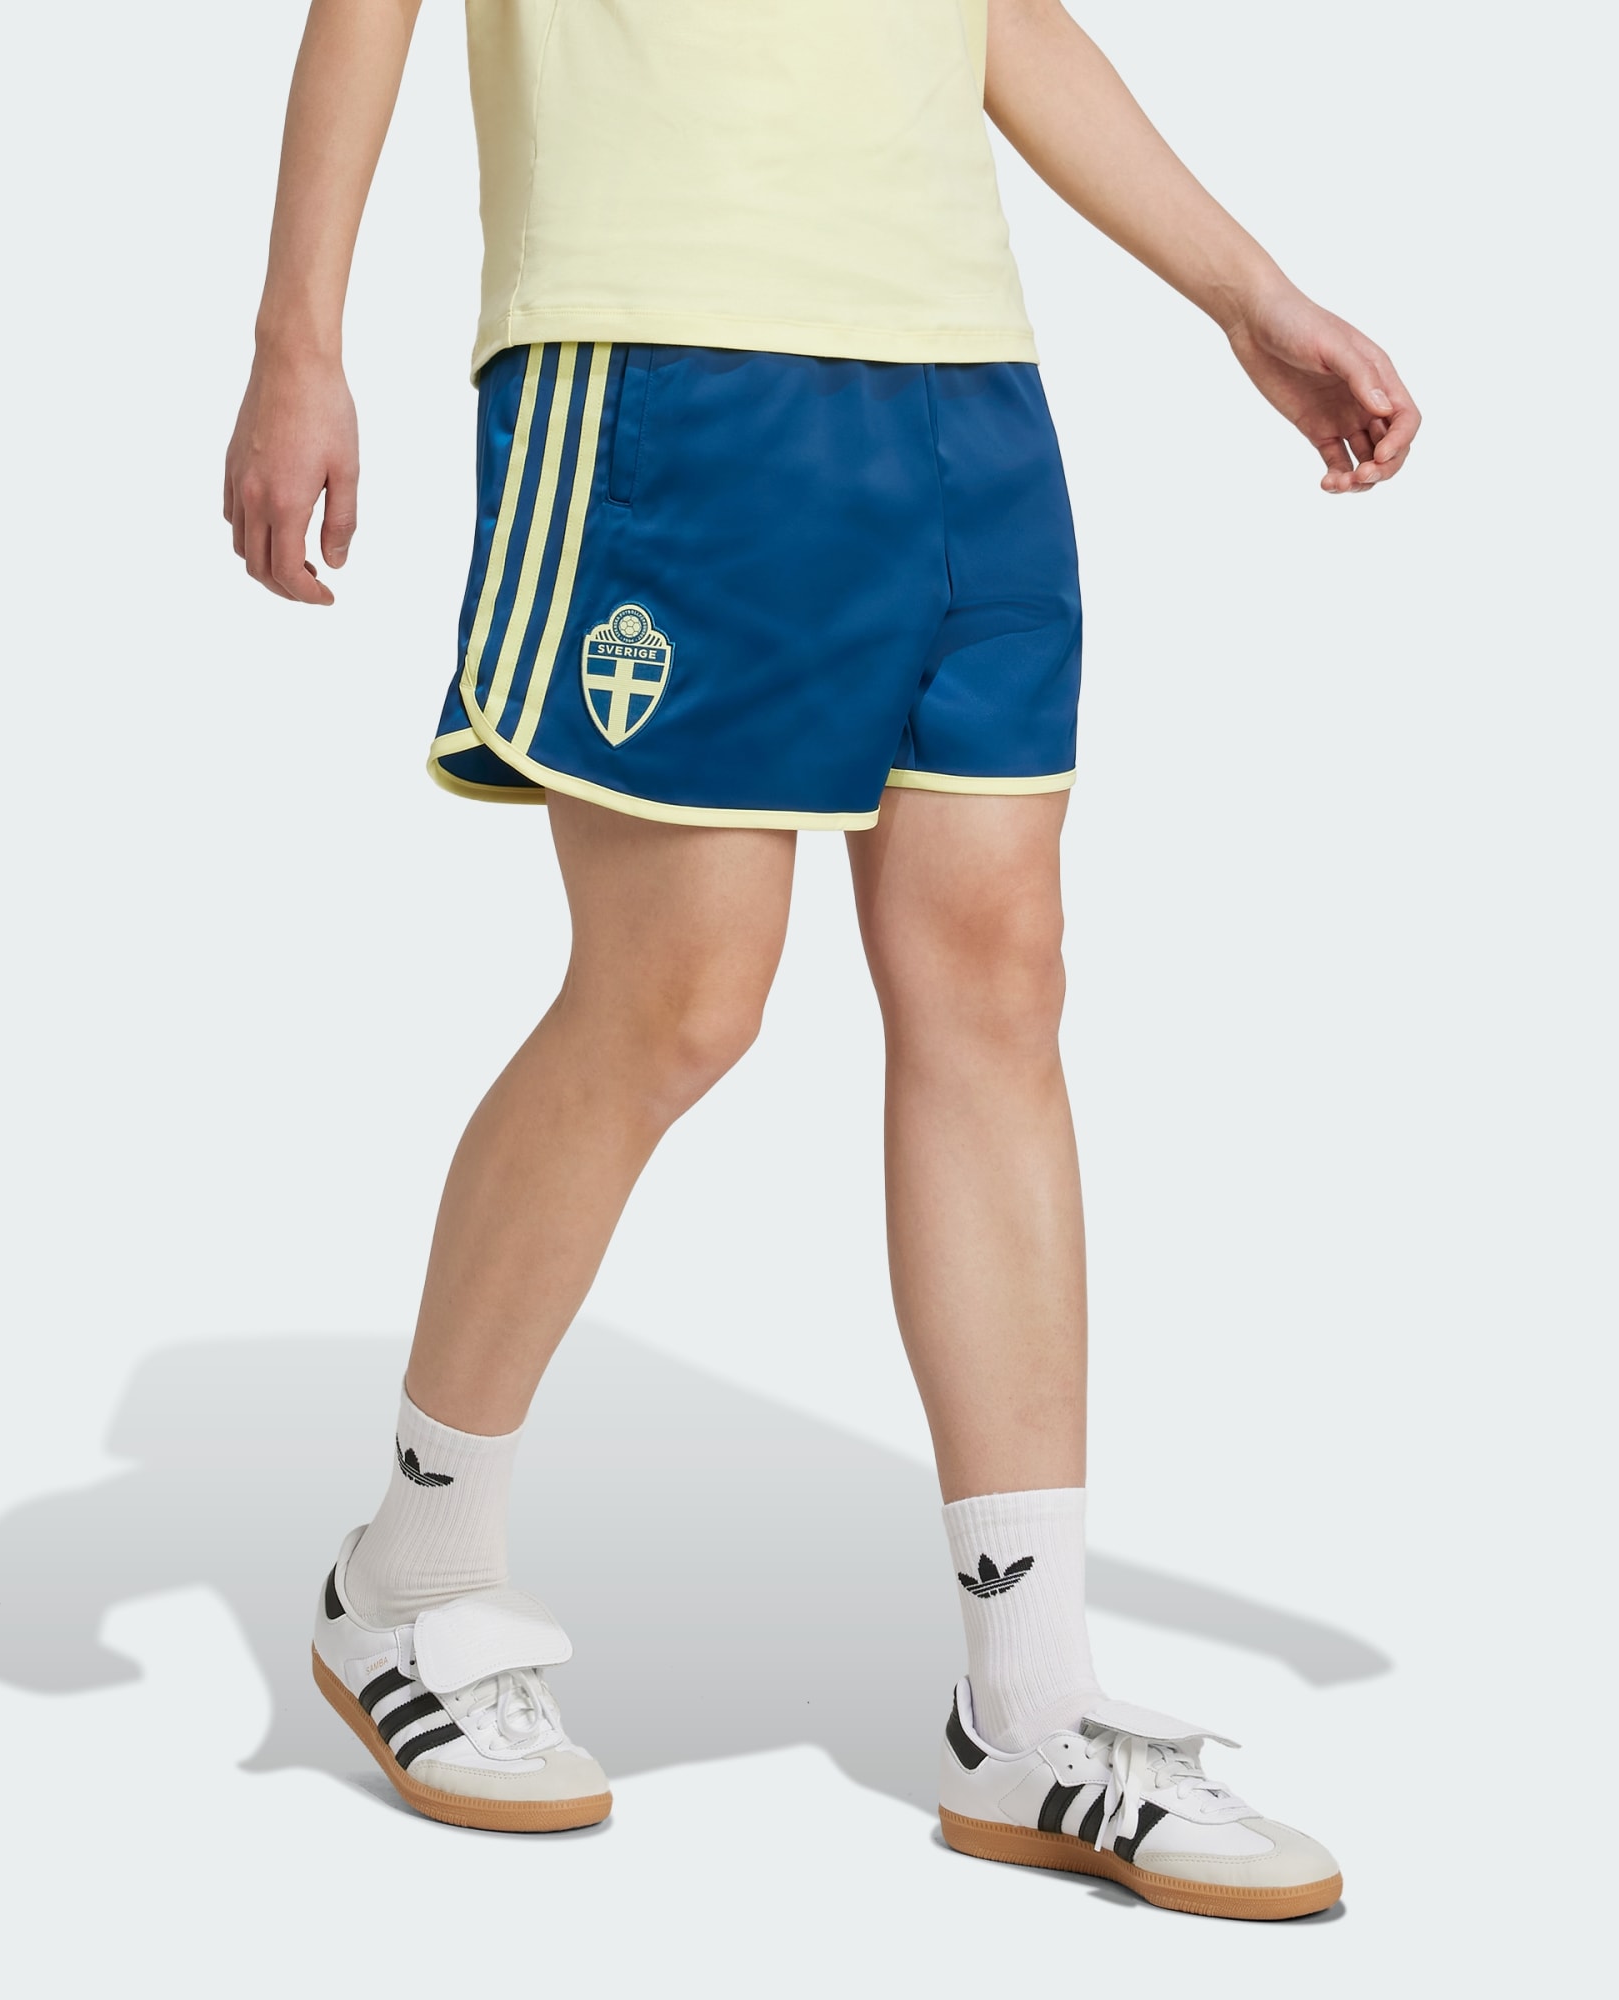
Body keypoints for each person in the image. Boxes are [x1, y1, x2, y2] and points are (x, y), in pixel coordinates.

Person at [224, 0, 1416, 1920]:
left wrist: (1243, 293)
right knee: (680, 993)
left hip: (958, 373)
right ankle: (411, 1579)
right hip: (665, 348)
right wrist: (299, 338)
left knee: (998, 981)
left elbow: (995, 13)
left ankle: (1028, 1704)